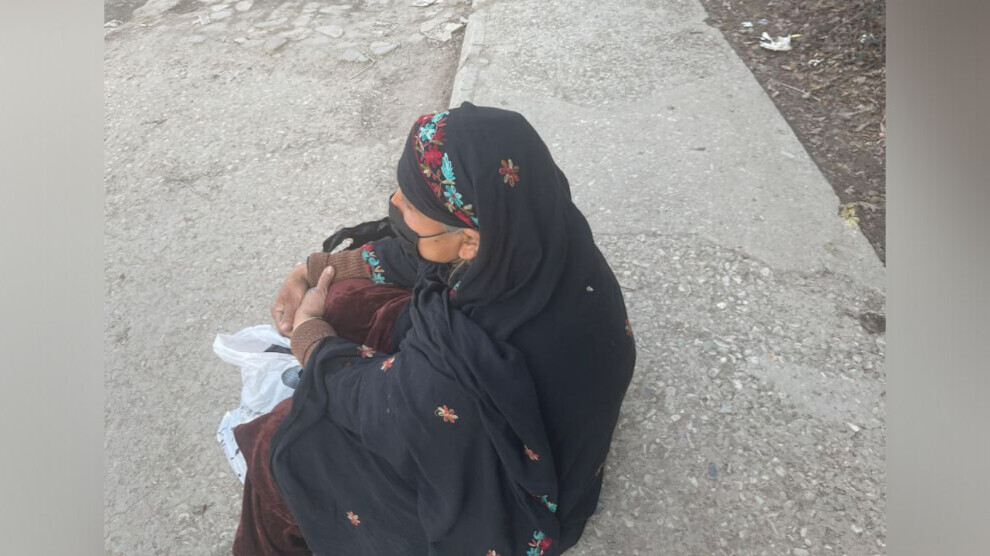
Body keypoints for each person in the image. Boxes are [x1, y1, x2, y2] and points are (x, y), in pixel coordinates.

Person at [232, 102, 636, 555]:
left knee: (281, 449)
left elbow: (385, 408)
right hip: (505, 403)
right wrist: (317, 269)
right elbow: (424, 254)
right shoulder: (532, 231)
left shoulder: (469, 356)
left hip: (505, 499)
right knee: (342, 298)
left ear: (469, 241)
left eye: (412, 204)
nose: (396, 202)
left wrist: (311, 341)